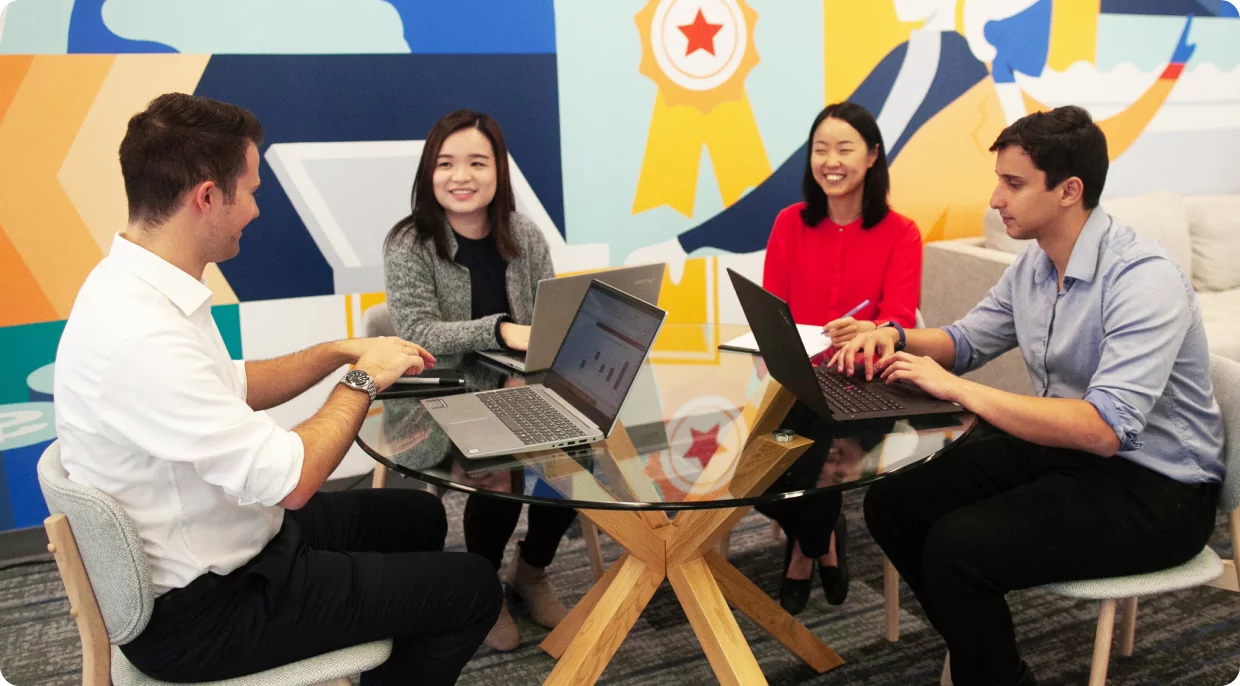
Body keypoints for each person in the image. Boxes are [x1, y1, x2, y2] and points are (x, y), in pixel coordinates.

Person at [53, 93, 502, 686]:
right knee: (473, 589)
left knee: (417, 517)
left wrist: (340, 352)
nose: (256, 210)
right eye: (253, 190)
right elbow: (293, 482)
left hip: (228, 539)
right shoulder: (142, 336)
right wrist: (363, 379)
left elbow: (234, 384)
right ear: (208, 197)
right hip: (206, 611)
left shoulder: (138, 286)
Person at [833, 106, 1223, 686]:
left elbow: (1102, 427)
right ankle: (988, 659)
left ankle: (991, 669)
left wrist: (957, 388)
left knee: (956, 549)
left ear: (1070, 190)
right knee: (893, 503)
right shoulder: (1037, 265)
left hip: (1158, 490)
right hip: (1070, 454)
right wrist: (892, 335)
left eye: (1013, 184)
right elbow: (965, 341)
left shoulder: (1144, 279)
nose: (995, 199)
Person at [383, 110, 576, 651]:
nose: (460, 176)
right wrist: (501, 330)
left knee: (578, 456)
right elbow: (417, 331)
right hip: (436, 397)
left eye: (476, 162)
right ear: (429, 172)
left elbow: (550, 317)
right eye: (446, 163)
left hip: (518, 389)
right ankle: (483, 588)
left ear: (499, 172)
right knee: (504, 464)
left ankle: (531, 572)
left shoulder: (525, 234)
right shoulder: (409, 242)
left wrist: (537, 352)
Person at [754, 101, 923, 614]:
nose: (831, 160)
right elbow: (771, 311)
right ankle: (823, 539)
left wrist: (872, 329)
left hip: (869, 385)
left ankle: (802, 555)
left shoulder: (903, 232)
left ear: (872, 156)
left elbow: (901, 321)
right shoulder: (789, 224)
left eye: (845, 148)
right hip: (798, 380)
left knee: (821, 458)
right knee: (756, 472)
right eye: (820, 149)